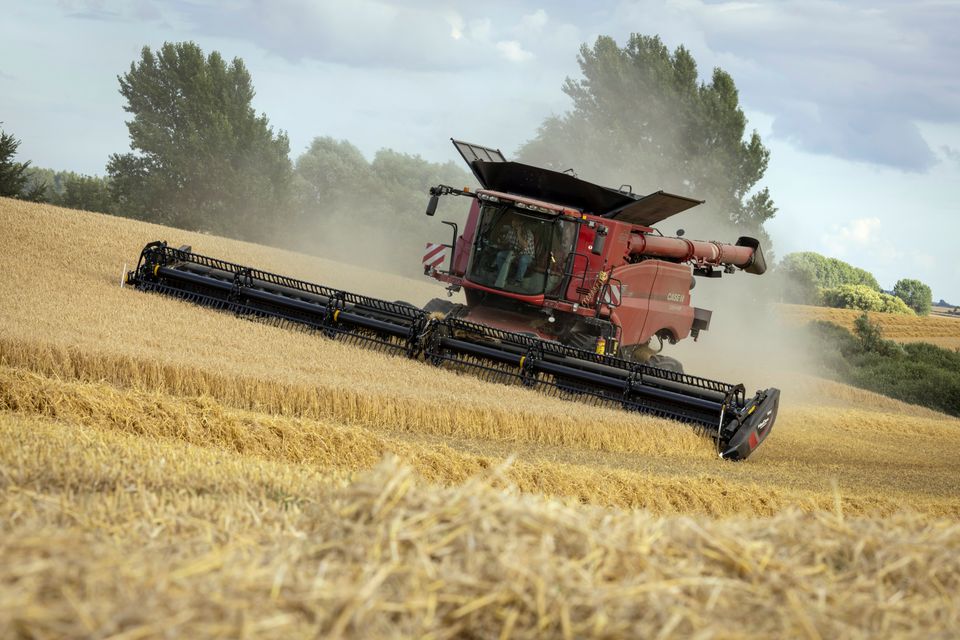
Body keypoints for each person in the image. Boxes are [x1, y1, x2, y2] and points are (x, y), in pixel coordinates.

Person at [494, 216, 536, 283]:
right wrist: (500, 240)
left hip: (527, 255)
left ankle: (518, 280)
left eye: (516, 221)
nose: (513, 222)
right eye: (513, 221)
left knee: (523, 259)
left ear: (520, 223)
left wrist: (519, 234)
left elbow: (524, 246)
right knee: (500, 255)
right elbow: (506, 241)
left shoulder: (528, 233)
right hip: (514, 253)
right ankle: (501, 275)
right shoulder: (511, 231)